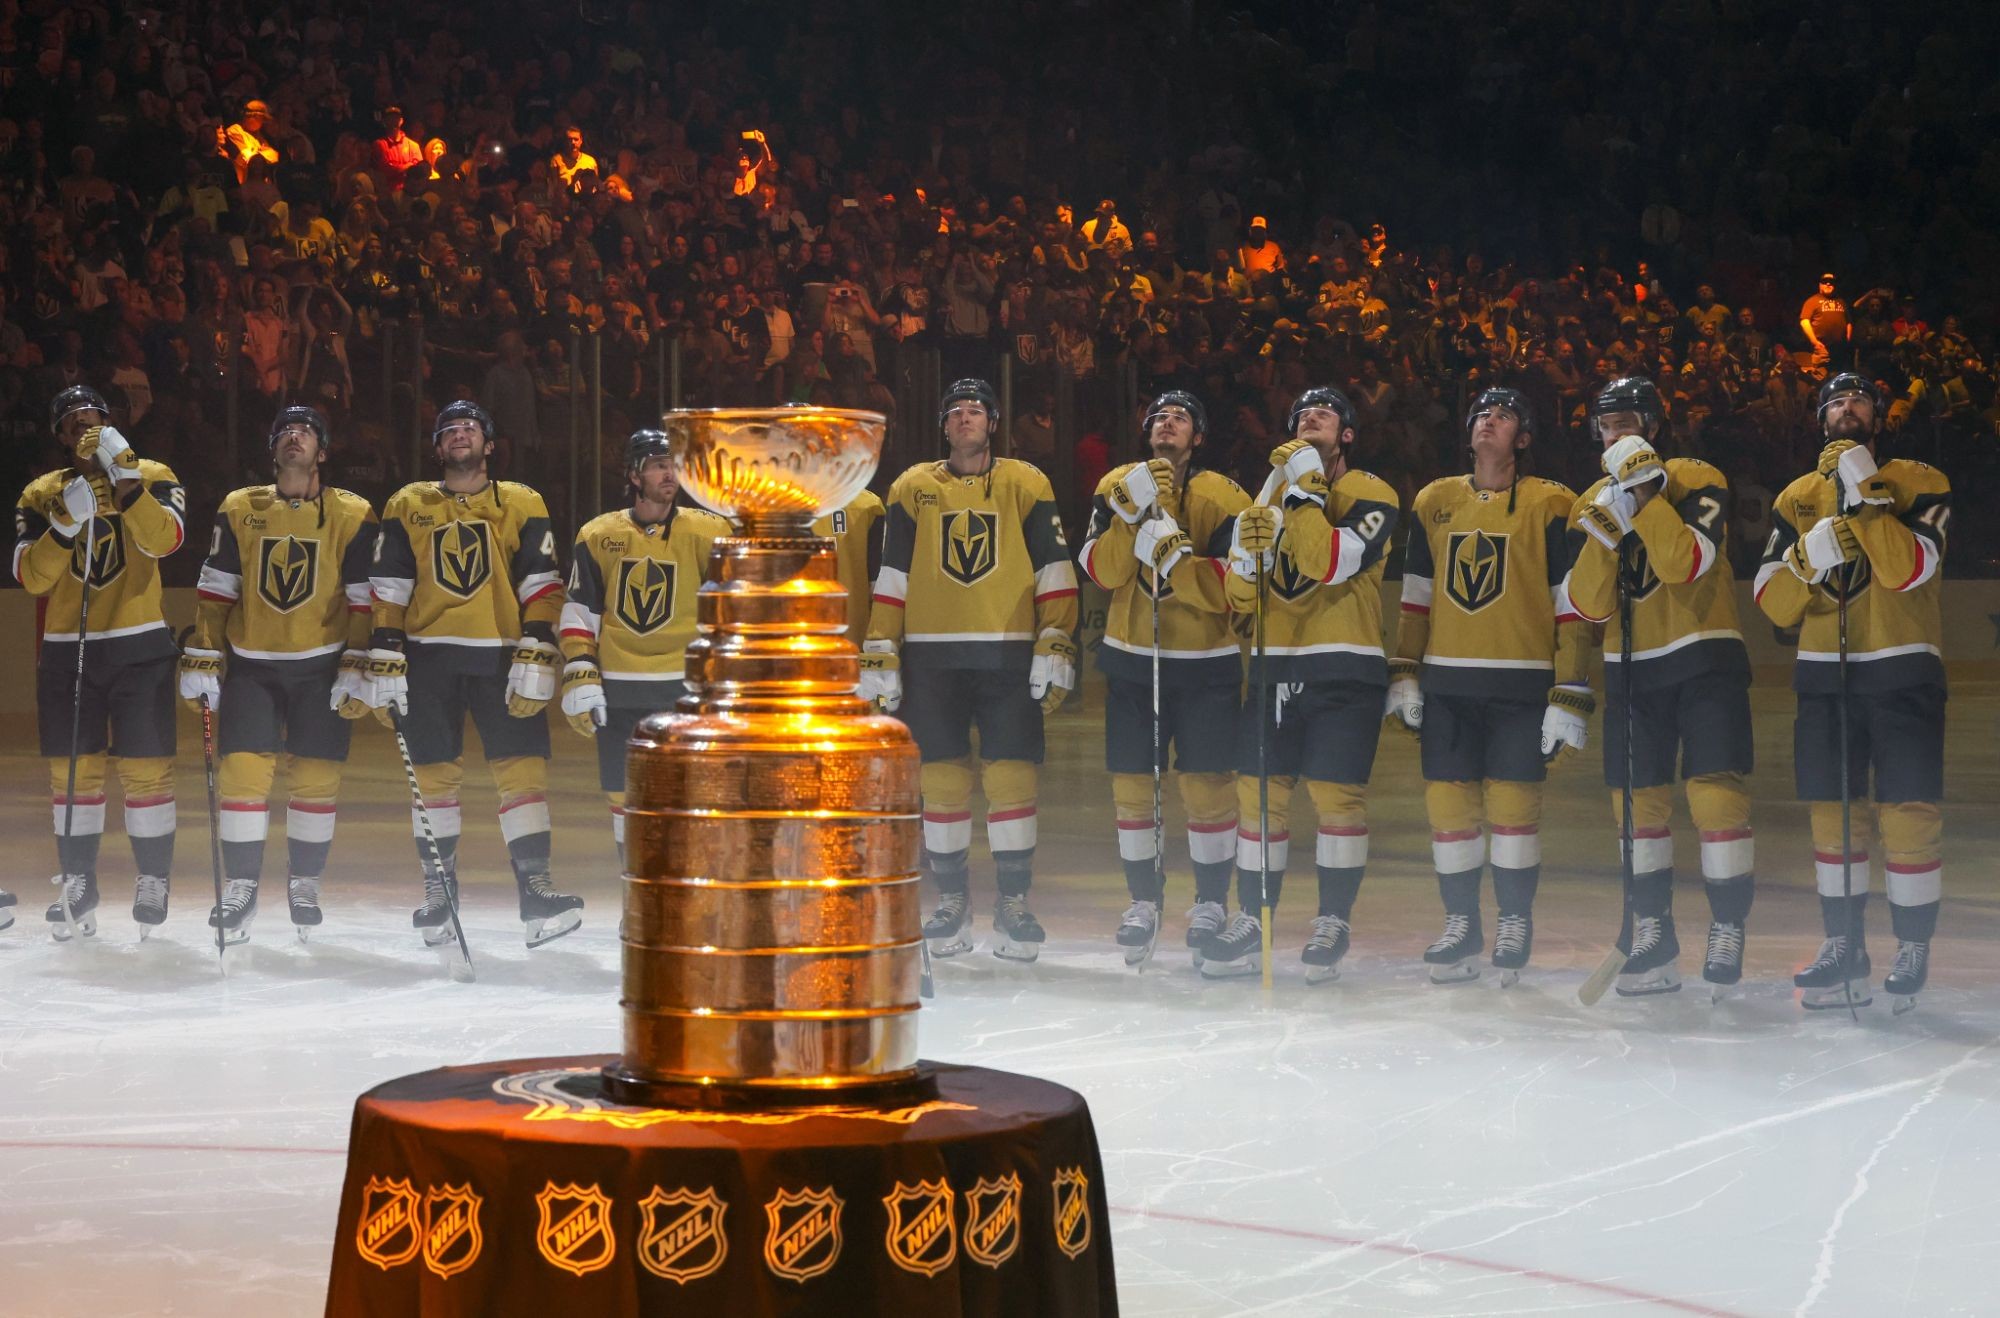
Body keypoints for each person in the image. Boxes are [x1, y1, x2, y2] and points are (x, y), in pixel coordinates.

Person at [862, 379, 1079, 962]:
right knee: (941, 782)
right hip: (931, 657)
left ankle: (1013, 903)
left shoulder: (1026, 483)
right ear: (943, 425)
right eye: (955, 411)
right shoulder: (911, 487)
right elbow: (893, 574)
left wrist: (1055, 638)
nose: (965, 418)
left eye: (975, 410)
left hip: (1007, 654)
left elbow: (1054, 568)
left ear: (993, 423)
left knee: (1012, 778)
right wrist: (880, 647)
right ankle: (952, 902)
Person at [1754, 372, 1950, 1011]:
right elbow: (1774, 605)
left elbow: (1907, 568)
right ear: (1821, 419)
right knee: (1832, 814)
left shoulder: (1919, 481)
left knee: (1908, 810)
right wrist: (1806, 559)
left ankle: (1912, 945)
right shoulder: (1797, 497)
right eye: (1834, 402)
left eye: (1858, 399)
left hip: (1903, 667)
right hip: (1824, 673)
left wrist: (1864, 492)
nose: (1846, 408)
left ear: (1878, 416)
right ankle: (1845, 944)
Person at [362, 400, 584, 951]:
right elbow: (389, 585)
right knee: (433, 780)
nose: (460, 434)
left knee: (522, 772)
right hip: (428, 658)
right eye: (449, 430)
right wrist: (385, 648)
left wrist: (538, 644)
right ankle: (440, 893)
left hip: (502, 656)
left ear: (489, 444)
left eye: (470, 428)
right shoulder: (407, 503)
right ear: (437, 448)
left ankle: (536, 890)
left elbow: (542, 582)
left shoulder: (522, 501)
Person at [1390, 387, 1590, 985]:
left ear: (1522, 439)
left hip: (1522, 688)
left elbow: (1571, 605)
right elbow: (1415, 598)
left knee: (1513, 813)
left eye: (1503, 416)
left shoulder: (1554, 504)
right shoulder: (1433, 500)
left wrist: (1570, 687)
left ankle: (1513, 922)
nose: (1488, 421)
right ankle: (1461, 923)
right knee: (1448, 812)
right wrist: (1405, 671)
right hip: (1448, 685)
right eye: (1481, 413)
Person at [1566, 378, 1754, 996]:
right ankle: (1652, 932)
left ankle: (1727, 926)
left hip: (1705, 654)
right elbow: (1589, 605)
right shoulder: (1590, 500)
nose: (1614, 434)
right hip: (1632, 668)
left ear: (1652, 425)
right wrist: (1604, 532)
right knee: (1635, 807)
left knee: (1715, 799)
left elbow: (1684, 564)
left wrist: (1646, 494)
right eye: (1605, 425)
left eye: (1625, 422)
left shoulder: (1697, 477)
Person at [1204, 387, 1400, 981]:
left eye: (1326, 412)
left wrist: (1305, 491)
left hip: (1345, 666)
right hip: (1274, 667)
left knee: (1336, 800)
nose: (1310, 415)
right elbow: (1241, 600)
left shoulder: (1372, 492)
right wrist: (1245, 558)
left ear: (1347, 435)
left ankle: (1332, 920)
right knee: (1258, 798)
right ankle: (1252, 918)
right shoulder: (1265, 497)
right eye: (1300, 413)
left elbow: (1327, 562)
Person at [184, 406, 378, 941]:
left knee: (317, 781)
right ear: (272, 450)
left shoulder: (354, 513)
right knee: (242, 776)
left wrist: (357, 660)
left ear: (323, 451)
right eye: (285, 432)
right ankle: (241, 887)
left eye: (306, 432)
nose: (295, 437)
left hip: (322, 668)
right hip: (253, 668)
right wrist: (204, 652)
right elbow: (217, 588)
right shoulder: (240, 507)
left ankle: (304, 883)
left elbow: (363, 598)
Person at [1076, 391, 1249, 966]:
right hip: (1132, 660)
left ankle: (1211, 903)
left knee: (1208, 787)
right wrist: (1128, 518)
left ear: (1198, 437)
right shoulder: (1115, 485)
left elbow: (1233, 590)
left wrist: (1177, 555)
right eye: (1158, 417)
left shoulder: (1225, 495)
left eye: (1180, 418)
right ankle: (1143, 901)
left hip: (1206, 665)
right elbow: (1101, 572)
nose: (1167, 424)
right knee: (1133, 787)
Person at [14, 386, 187, 939]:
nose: (83, 429)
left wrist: (126, 480)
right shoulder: (41, 493)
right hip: (68, 649)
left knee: (146, 768)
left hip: (139, 645)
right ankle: (77, 880)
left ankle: (153, 878)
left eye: (93, 421)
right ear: (59, 436)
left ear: (112, 425)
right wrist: (65, 522)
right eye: (72, 423)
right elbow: (32, 578)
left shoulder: (154, 474)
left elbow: (166, 541)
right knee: (73, 772)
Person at [558, 430, 731, 859]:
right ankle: (636, 885)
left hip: (684, 687)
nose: (668, 474)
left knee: (687, 792)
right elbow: (580, 612)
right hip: (619, 687)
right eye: (657, 465)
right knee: (623, 794)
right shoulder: (598, 534)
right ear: (634, 476)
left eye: (673, 465)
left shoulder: (709, 531)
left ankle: (682, 885)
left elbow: (729, 610)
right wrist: (581, 670)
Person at [1799, 273, 1849, 374]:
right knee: (1821, 375)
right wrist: (1814, 341)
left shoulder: (1841, 301)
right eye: (1825, 282)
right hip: (1821, 348)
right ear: (1820, 285)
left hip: (1840, 349)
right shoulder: (1812, 301)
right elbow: (1804, 321)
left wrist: (1847, 339)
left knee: (1839, 375)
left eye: (1831, 282)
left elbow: (1848, 321)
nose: (1828, 284)